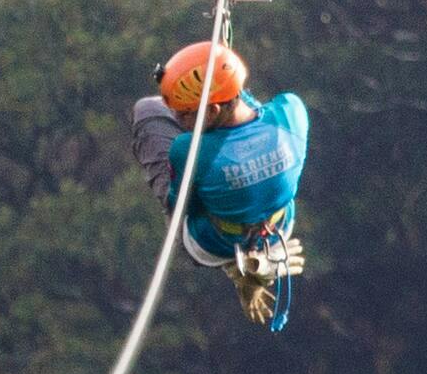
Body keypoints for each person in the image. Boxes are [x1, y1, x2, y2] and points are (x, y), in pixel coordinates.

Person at [127, 37, 309, 333]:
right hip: (278, 227)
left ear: (210, 111)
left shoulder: (189, 149)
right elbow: (256, 108)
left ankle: (235, 264)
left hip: (211, 242)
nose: (176, 116)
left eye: (184, 112)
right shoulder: (293, 113)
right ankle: (255, 260)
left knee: (147, 110)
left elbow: (181, 205)